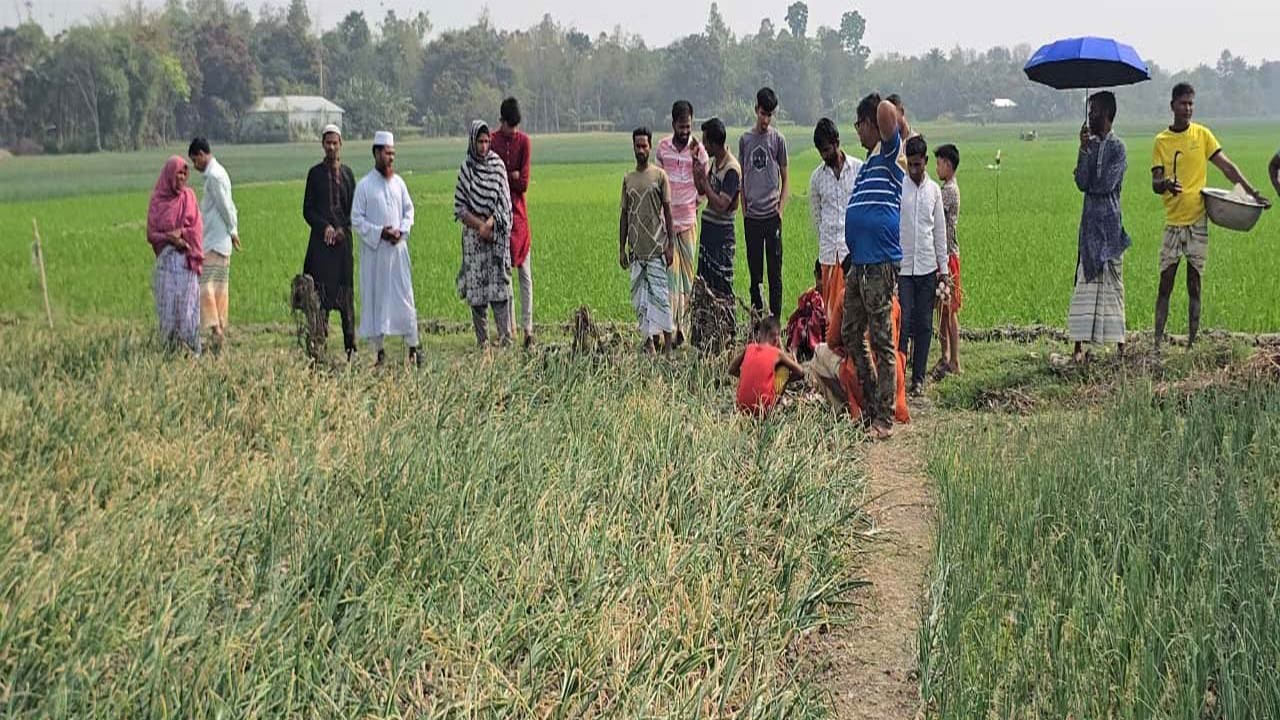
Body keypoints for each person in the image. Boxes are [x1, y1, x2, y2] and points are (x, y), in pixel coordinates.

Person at [1152, 83, 1271, 348]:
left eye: (1191, 103)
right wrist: (1166, 184)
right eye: (1183, 103)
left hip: (1197, 222)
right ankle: (1157, 344)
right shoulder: (1162, 141)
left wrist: (1252, 192)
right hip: (1173, 223)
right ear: (1172, 105)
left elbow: (1227, 167)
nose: (1188, 108)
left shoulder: (1202, 135)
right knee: (1165, 283)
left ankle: (1192, 344)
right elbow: (1155, 182)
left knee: (1194, 284)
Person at [843, 92, 911, 440]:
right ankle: (872, 404)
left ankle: (884, 417)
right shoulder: (869, 165)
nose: (857, 132)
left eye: (859, 124)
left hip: (880, 263)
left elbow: (887, 111)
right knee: (851, 332)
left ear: (871, 124)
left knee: (883, 340)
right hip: (859, 263)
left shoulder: (888, 155)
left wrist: (879, 106)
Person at [1070, 92, 1131, 362]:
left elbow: (1106, 183)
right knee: (1084, 282)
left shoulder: (1118, 148)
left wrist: (1089, 179)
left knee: (1113, 286)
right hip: (1089, 225)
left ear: (1106, 114)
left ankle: (1119, 345)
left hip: (1109, 226)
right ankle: (1078, 347)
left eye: (1093, 111)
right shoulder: (1089, 146)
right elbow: (1082, 182)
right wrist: (1082, 151)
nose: (1089, 116)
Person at [352, 131, 420, 367]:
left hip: (397, 254)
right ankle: (379, 352)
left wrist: (401, 231)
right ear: (376, 153)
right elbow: (356, 220)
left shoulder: (399, 183)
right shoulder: (364, 186)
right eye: (386, 153)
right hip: (376, 255)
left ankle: (413, 347)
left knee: (405, 299)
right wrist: (381, 232)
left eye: (393, 153)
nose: (390, 158)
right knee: (376, 300)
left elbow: (409, 212)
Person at [898, 135, 950, 395]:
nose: (914, 170)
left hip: (928, 268)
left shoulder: (934, 192)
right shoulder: (900, 188)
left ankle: (918, 379)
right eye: (911, 165)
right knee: (903, 322)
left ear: (926, 161)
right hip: (904, 269)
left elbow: (940, 233)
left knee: (924, 325)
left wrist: (944, 271)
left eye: (919, 165)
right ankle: (899, 374)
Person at [455, 120, 515, 349]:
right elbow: (460, 208)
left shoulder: (497, 166)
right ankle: (483, 343)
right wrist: (479, 226)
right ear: (472, 142)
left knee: (500, 291)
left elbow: (505, 203)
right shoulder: (466, 169)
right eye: (479, 142)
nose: (483, 146)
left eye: (486, 141)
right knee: (477, 294)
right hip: (474, 239)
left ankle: (505, 338)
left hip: (495, 236)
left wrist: (489, 224)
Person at [302, 124, 358, 360]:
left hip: (343, 248)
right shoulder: (314, 174)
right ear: (323, 145)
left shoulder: (348, 174)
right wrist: (324, 227)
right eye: (328, 143)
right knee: (320, 298)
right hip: (320, 248)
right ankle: (318, 347)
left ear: (341, 144)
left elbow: (355, 210)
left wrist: (343, 229)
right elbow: (307, 210)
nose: (332, 147)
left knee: (346, 299)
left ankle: (350, 349)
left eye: (335, 143)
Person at [656, 99, 709, 347]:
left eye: (688, 126)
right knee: (670, 278)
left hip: (688, 220)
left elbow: (703, 184)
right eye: (681, 126)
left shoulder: (698, 150)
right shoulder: (663, 148)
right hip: (667, 224)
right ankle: (671, 326)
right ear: (673, 123)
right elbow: (658, 181)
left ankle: (683, 329)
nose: (685, 131)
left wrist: (692, 203)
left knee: (687, 278)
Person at [619, 127, 676, 354]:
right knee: (641, 301)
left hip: (656, 249)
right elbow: (624, 215)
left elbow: (668, 212)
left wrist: (671, 245)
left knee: (661, 299)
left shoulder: (660, 176)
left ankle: (669, 347)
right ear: (633, 147)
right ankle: (650, 344)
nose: (641, 150)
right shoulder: (628, 179)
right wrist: (621, 248)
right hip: (637, 252)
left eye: (644, 146)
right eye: (637, 146)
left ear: (650, 147)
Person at [738, 87, 790, 318]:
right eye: (762, 113)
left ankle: (775, 323)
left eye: (770, 115)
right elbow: (742, 177)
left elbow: (786, 178)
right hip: (753, 218)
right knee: (755, 276)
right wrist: (745, 210)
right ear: (755, 109)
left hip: (771, 217)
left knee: (775, 275)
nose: (766, 120)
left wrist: (780, 210)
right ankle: (758, 321)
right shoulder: (745, 140)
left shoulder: (778, 140)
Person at [146, 156, 204, 353]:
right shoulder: (157, 201)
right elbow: (151, 233)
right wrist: (169, 239)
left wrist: (182, 234)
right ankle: (170, 350)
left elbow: (196, 227)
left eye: (184, 173)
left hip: (186, 263)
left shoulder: (189, 197)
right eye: (178, 173)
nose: (181, 177)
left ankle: (191, 349)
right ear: (169, 175)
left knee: (187, 308)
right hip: (166, 263)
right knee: (168, 307)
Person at [491, 97, 535, 348]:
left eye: (517, 127)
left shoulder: (524, 142)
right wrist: (511, 176)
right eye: (510, 127)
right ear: (502, 122)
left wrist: (506, 177)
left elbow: (524, 183)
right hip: (499, 216)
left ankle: (528, 328)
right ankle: (509, 329)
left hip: (519, 215)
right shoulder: (494, 141)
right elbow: (497, 179)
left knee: (525, 275)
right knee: (504, 275)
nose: (514, 132)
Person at [809, 118, 861, 327]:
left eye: (827, 149)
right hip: (829, 253)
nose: (825, 155)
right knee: (830, 311)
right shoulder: (816, 178)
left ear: (837, 142)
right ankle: (832, 353)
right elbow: (817, 218)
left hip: (853, 251)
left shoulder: (858, 169)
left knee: (853, 306)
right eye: (821, 151)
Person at [188, 137, 239, 353]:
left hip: (215, 241)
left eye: (194, 160)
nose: (194, 165)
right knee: (217, 287)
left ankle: (216, 329)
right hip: (217, 240)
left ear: (201, 154)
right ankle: (217, 330)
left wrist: (233, 230)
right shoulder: (216, 174)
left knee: (206, 287)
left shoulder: (215, 177)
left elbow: (226, 206)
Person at [692, 117, 740, 298]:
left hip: (722, 236)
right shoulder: (716, 163)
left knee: (722, 286)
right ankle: (706, 325)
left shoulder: (731, 169)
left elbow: (721, 204)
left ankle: (725, 326)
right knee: (705, 284)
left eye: (706, 142)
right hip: (710, 233)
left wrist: (704, 182)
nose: (704, 146)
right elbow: (702, 190)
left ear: (714, 144)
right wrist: (696, 171)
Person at [730, 316, 806, 416]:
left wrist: (747, 378)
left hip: (741, 407)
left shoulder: (749, 348)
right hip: (763, 408)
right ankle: (771, 407)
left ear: (759, 334)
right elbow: (801, 372)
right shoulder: (777, 353)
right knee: (784, 370)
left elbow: (731, 369)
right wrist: (786, 381)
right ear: (776, 338)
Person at [933, 143, 962, 377]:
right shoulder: (948, 188)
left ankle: (954, 360)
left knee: (949, 311)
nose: (937, 167)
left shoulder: (948, 191)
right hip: (943, 256)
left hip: (948, 257)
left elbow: (932, 215)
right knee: (943, 311)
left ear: (948, 165)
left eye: (939, 163)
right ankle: (945, 356)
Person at [784, 260, 827, 362]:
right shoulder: (811, 295)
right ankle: (793, 354)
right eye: (820, 278)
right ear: (815, 275)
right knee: (800, 324)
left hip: (826, 334)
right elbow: (798, 312)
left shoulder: (834, 296)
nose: (823, 283)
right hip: (808, 334)